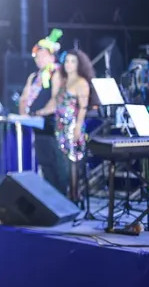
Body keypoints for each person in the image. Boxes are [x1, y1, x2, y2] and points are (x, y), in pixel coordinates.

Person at [36, 49, 94, 201]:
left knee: (72, 164)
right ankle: (62, 196)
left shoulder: (81, 82)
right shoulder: (62, 80)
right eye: (67, 61)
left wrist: (78, 127)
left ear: (78, 64)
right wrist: (41, 112)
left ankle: (74, 197)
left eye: (72, 61)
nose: (69, 64)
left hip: (73, 126)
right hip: (59, 125)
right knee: (60, 163)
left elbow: (83, 108)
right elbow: (55, 101)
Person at [20, 29, 68, 194]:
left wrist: (41, 112)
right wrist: (24, 113)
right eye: (37, 56)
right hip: (37, 126)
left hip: (53, 125)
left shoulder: (56, 73)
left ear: (51, 56)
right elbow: (24, 98)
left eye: (42, 55)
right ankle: (50, 196)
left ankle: (63, 197)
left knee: (57, 164)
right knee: (45, 162)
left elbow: (56, 98)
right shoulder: (34, 77)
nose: (39, 59)